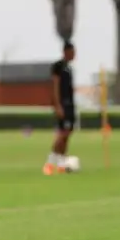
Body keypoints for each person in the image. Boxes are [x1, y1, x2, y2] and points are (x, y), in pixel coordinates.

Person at [45, 42, 76, 175]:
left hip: (70, 105)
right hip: (63, 104)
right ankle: (50, 162)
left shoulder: (69, 68)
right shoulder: (58, 66)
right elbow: (55, 86)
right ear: (66, 52)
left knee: (67, 134)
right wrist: (57, 105)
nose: (74, 55)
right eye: (72, 52)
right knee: (62, 133)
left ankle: (61, 163)